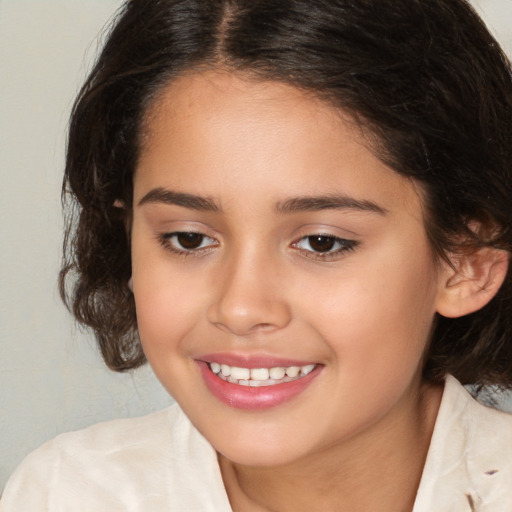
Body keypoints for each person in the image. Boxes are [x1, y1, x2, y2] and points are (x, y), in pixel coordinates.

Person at [2, 0, 512, 510]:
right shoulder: (67, 493)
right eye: (188, 239)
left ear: (466, 261)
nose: (241, 308)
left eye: (321, 242)